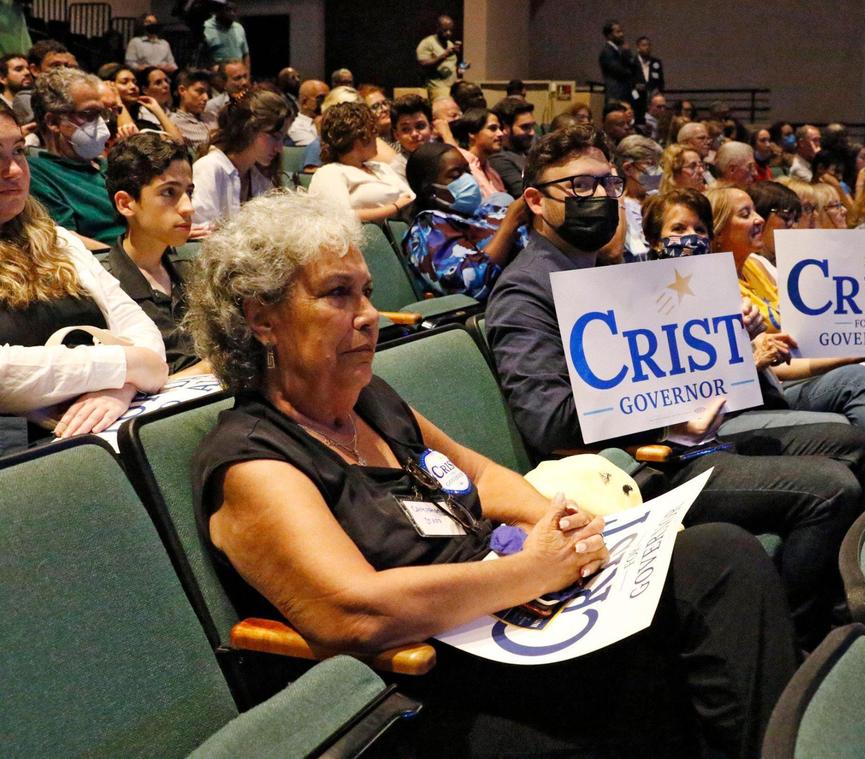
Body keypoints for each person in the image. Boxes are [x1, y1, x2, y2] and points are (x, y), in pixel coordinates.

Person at [184, 188, 796, 757]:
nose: (369, 315)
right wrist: (532, 572)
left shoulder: (369, 400)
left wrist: (552, 519)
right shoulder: (252, 461)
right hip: (436, 678)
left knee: (719, 559)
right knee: (685, 647)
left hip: (515, 614)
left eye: (367, 292)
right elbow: (353, 611)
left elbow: (475, 471)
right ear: (262, 318)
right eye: (338, 294)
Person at [485, 124, 865, 648]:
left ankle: (827, 595)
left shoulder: (611, 270)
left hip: (688, 438)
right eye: (579, 187)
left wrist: (730, 342)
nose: (598, 197)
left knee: (851, 441)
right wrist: (665, 416)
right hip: (638, 464)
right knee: (831, 490)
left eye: (607, 183)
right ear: (534, 200)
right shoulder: (524, 292)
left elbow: (672, 371)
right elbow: (547, 421)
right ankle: (788, 640)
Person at [0, 103, 167, 452]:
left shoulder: (58, 239)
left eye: (18, 150)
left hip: (104, 429)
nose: (13, 169)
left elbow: (140, 333)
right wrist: (127, 366)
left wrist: (118, 389)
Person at [708, 185, 865, 448]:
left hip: (798, 367)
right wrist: (861, 352)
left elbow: (809, 332)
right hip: (770, 388)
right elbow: (777, 366)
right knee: (856, 378)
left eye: (756, 212)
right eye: (745, 214)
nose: (759, 219)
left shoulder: (757, 264)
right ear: (718, 230)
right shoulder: (714, 285)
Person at [104, 133, 207, 375]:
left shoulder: (193, 274)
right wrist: (209, 368)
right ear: (125, 203)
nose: (188, 207)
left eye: (188, 192)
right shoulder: (105, 289)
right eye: (169, 192)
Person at [403, 142, 528, 300]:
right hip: (504, 306)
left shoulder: (485, 212)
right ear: (429, 190)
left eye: (467, 171)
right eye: (455, 175)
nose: (468, 179)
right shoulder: (427, 229)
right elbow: (471, 286)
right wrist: (509, 225)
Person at [26, 67, 125, 247]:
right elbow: (65, 238)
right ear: (53, 122)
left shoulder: (107, 165)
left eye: (102, 114)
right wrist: (128, 261)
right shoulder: (35, 172)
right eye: (89, 114)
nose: (101, 124)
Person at [191, 88, 292, 226]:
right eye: (275, 137)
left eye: (282, 139)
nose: (280, 148)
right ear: (249, 129)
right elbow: (199, 231)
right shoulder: (209, 168)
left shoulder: (259, 176)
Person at [308, 102, 414, 224]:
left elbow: (410, 198)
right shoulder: (330, 172)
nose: (377, 136)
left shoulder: (381, 167)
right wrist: (394, 208)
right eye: (373, 131)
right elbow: (339, 216)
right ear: (359, 137)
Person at [614, 134, 662, 262]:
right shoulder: (617, 205)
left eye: (658, 164)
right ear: (628, 168)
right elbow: (637, 251)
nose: (659, 170)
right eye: (650, 164)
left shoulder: (660, 198)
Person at [451, 107, 506, 200]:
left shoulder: (493, 173)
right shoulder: (462, 169)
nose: (501, 133)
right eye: (493, 128)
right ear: (472, 133)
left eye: (500, 128)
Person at [487, 96, 535, 198]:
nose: (532, 133)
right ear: (505, 127)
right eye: (525, 127)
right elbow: (525, 194)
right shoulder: (498, 158)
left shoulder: (528, 149)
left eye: (532, 126)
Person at [416, 14, 462, 99]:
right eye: (445, 30)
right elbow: (423, 64)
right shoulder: (427, 43)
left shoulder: (450, 44)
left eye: (450, 30)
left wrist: (463, 67)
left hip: (452, 87)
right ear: (437, 28)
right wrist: (445, 55)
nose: (448, 33)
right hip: (437, 87)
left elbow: (452, 68)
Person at [170, 69, 217, 151]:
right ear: (182, 90)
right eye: (200, 91)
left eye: (207, 92)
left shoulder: (212, 116)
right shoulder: (173, 123)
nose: (206, 98)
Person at [389, 93, 433, 178]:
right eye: (406, 129)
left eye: (420, 126)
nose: (414, 134)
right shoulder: (397, 170)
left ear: (431, 128)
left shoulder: (444, 156)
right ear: (396, 135)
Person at [202, 2, 249, 70]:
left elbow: (246, 55)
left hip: (238, 72)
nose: (232, 13)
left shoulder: (239, 28)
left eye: (234, 10)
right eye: (228, 10)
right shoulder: (205, 28)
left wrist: (247, 77)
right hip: (217, 74)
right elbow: (202, 58)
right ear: (218, 11)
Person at [598, 20, 635, 104]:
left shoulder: (618, 51)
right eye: (618, 32)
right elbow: (620, 72)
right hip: (615, 94)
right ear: (609, 35)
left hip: (622, 93)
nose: (622, 34)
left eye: (622, 31)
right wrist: (627, 55)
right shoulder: (607, 52)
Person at [286, 79, 329, 147]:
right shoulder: (297, 128)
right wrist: (320, 131)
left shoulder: (333, 120)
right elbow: (316, 153)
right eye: (321, 99)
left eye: (329, 98)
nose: (327, 102)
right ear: (304, 102)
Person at [631, 35, 664, 123]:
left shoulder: (656, 62)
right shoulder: (631, 62)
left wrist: (657, 92)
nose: (647, 47)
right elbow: (628, 84)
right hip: (636, 100)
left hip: (651, 100)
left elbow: (661, 82)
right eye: (644, 45)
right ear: (638, 48)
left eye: (649, 45)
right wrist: (636, 94)